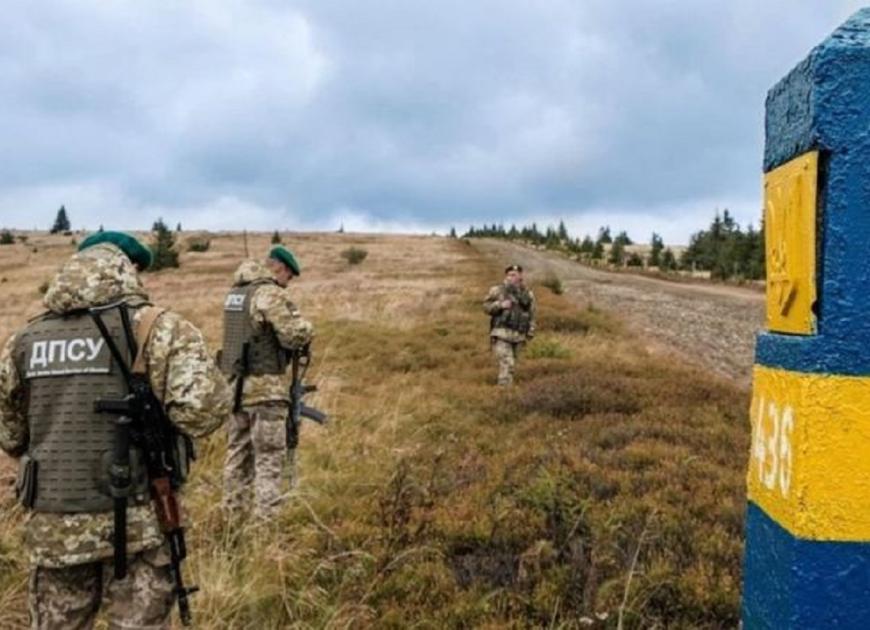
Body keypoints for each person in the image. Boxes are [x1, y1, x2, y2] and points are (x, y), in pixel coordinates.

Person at [0, 231, 232, 629]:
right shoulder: (158, 328)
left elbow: (10, 437)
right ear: (131, 267)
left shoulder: (24, 340)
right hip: (140, 522)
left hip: (55, 527)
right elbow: (202, 414)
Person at [220, 245, 314, 521]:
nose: (288, 283)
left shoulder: (236, 294)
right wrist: (308, 328)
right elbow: (294, 336)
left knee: (237, 457)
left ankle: (232, 520)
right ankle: (265, 526)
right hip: (265, 390)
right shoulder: (269, 293)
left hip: (235, 389)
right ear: (280, 268)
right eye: (289, 277)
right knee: (269, 458)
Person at [483, 264, 536, 386]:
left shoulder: (528, 294)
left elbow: (532, 313)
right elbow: (486, 307)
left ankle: (508, 390)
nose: (511, 277)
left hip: (519, 335)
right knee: (507, 362)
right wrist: (500, 305)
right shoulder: (497, 290)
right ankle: (503, 391)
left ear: (520, 276)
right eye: (509, 275)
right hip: (501, 333)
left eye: (514, 275)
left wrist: (531, 330)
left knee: (512, 366)